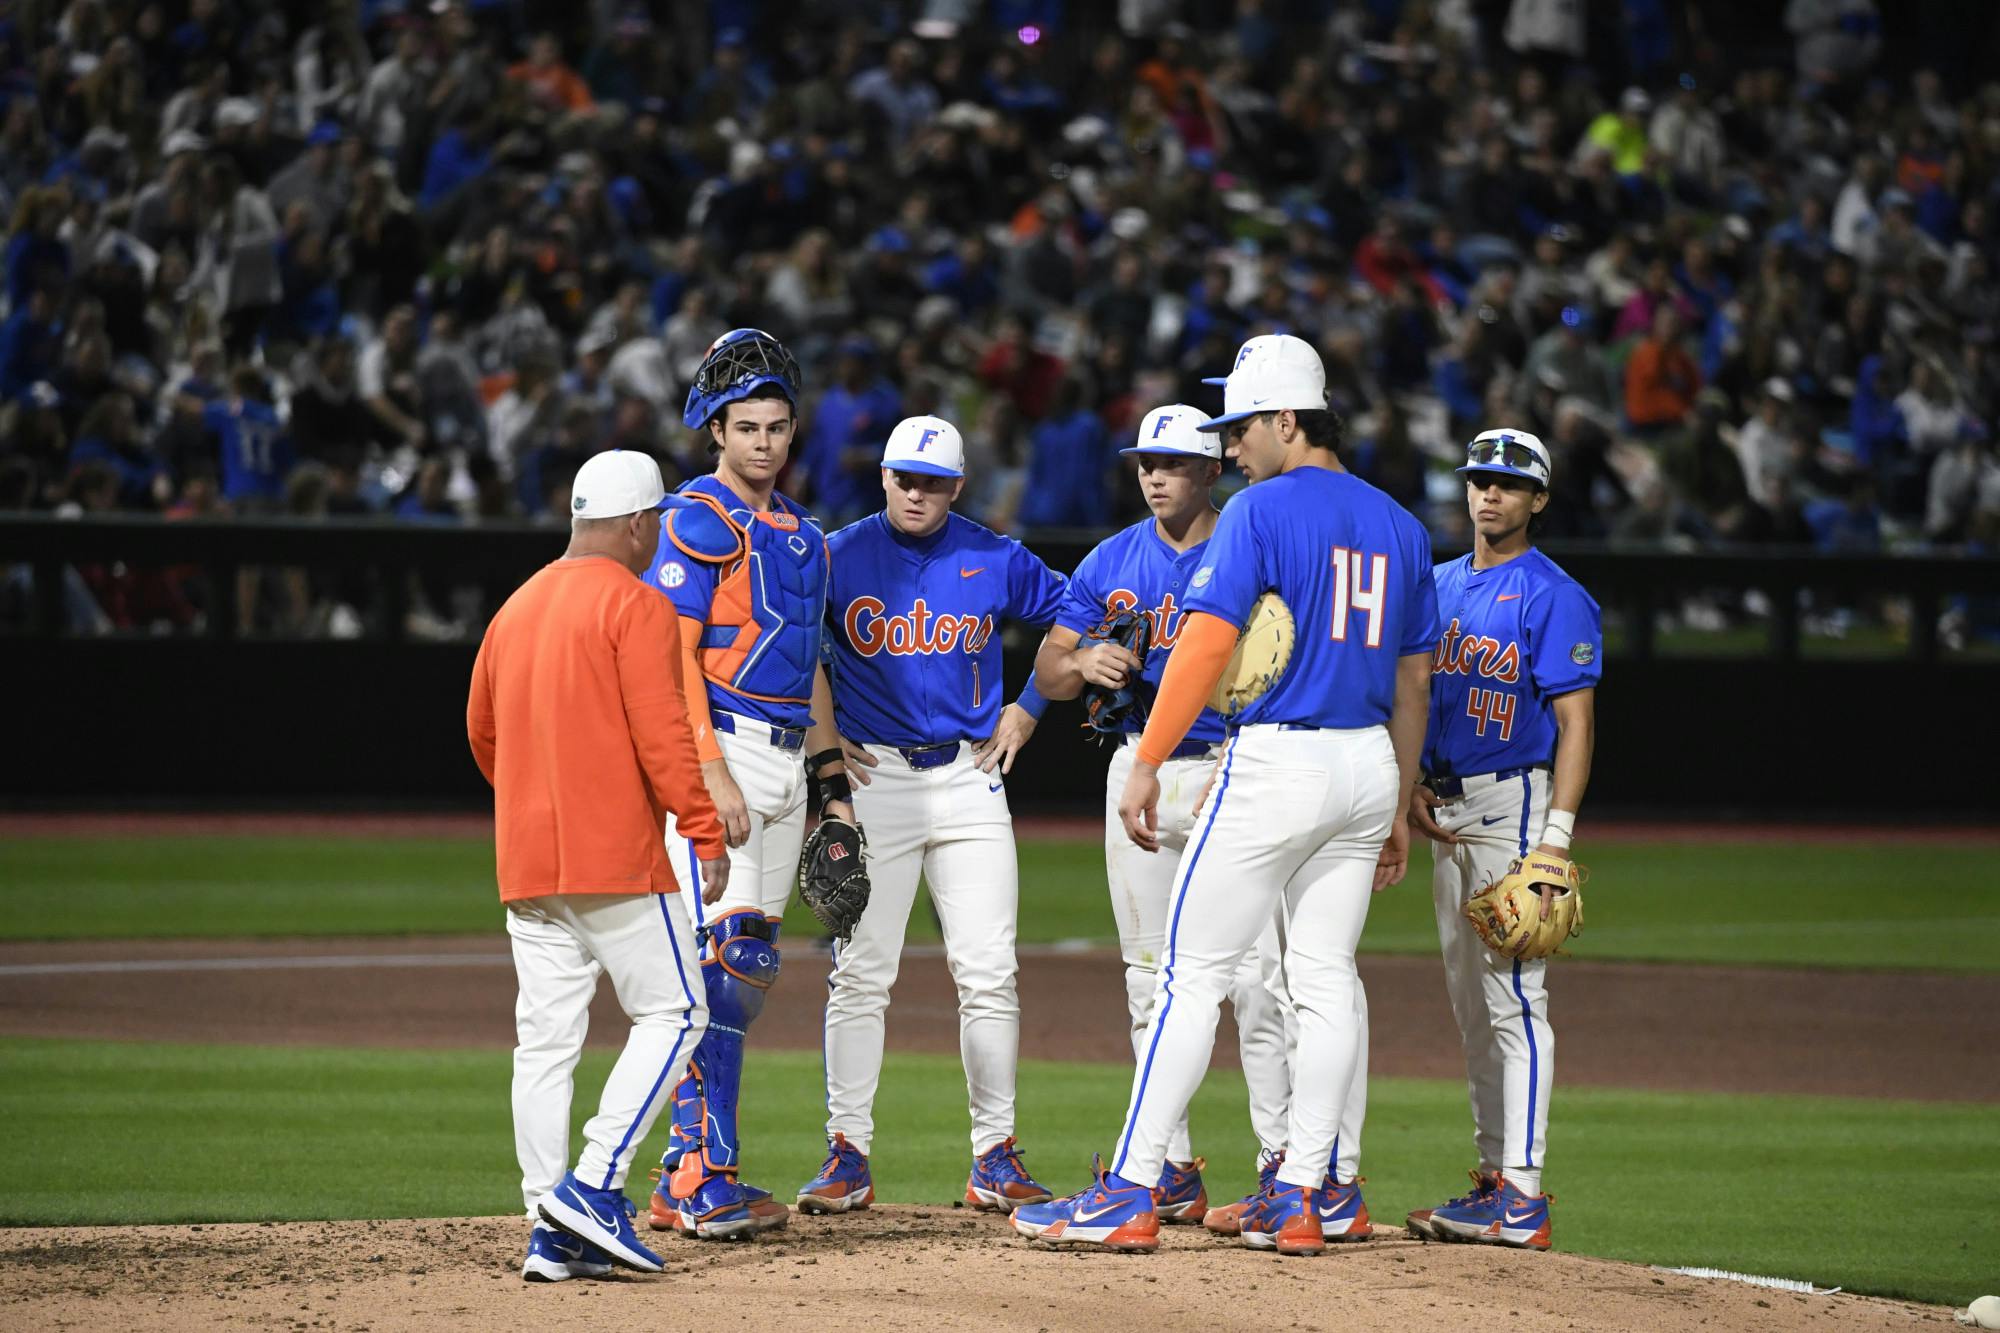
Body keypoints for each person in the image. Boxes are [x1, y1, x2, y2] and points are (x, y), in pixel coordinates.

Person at [1012, 333, 1439, 1255]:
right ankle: (1309, 1192)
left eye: (1243, 424)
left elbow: (1205, 644)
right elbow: (1414, 685)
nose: (1232, 443)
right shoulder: (1402, 524)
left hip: (1277, 761)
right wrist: (1400, 798)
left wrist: (1148, 757)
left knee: (1189, 975)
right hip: (1366, 761)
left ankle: (1128, 1188)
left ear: (1289, 418)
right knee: (1322, 981)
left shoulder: (1258, 510)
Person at [1028, 403, 1295, 1227]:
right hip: (1140, 767)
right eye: (1146, 461)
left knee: (1257, 983)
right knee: (1148, 978)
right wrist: (1080, 658)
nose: (1154, 476)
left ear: (1212, 471)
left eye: (1173, 463)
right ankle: (1171, 1163)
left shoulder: (1247, 543)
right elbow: (1051, 665)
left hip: (1232, 767)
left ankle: (1282, 1163)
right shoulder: (1112, 557)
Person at [465, 448, 729, 1282]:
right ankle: (594, 1182)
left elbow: (481, 733)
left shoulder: (514, 605)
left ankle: (546, 1219)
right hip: (611, 854)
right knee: (681, 1010)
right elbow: (664, 733)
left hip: (527, 861)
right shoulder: (638, 604)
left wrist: (533, 798)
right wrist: (705, 830)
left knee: (544, 1042)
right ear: (639, 523)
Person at [800, 414, 1067, 1217]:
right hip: (876, 779)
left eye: (933, 481)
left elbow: (1079, 614)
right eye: (903, 477)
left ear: (958, 486)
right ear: (883, 476)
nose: (916, 492)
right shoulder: (837, 554)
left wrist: (1027, 707)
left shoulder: (993, 555)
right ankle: (847, 1151)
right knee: (861, 974)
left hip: (968, 777)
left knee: (989, 973)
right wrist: (830, 753)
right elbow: (798, 653)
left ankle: (995, 1153)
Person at [640, 328, 855, 1240]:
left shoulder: (805, 535)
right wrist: (710, 770)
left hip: (782, 759)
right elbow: (670, 650)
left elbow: (807, 663)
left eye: (777, 426)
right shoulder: (693, 518)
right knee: (711, 967)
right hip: (717, 748)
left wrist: (830, 781)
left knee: (747, 968)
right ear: (715, 432)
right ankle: (698, 1175)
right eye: (747, 427)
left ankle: (693, 1170)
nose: (765, 442)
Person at [1403, 428, 1601, 1251]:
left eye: (1509, 485)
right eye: (1481, 480)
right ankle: (1495, 1177)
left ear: (1538, 500)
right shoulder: (1437, 583)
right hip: (1443, 808)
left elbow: (1575, 723)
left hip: (1512, 807)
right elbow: (1409, 691)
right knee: (1472, 1005)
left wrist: (1554, 839)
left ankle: (1523, 1190)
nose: (1490, 495)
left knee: (1516, 998)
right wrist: (1406, 778)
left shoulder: (1556, 595)